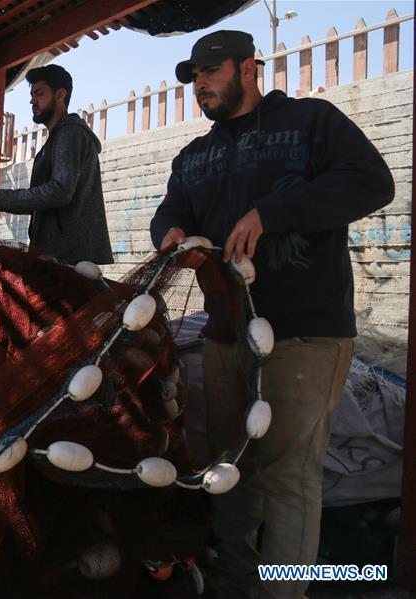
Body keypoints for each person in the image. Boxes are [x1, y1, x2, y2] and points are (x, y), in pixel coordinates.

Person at [150, 30, 394, 598]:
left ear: (249, 69)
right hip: (226, 333)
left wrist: (273, 212)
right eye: (193, 77)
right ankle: (236, 582)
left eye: (210, 71)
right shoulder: (194, 156)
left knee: (289, 474)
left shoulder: (312, 123)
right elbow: (170, 210)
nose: (200, 84)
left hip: (306, 334)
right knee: (230, 466)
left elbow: (372, 183)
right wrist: (172, 234)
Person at [0, 64, 112, 266]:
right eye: (32, 94)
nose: (32, 101)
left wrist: (2, 198)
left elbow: (60, 191)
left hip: (69, 259)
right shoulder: (57, 137)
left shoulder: (70, 133)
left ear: (60, 95)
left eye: (39, 94)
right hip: (59, 254)